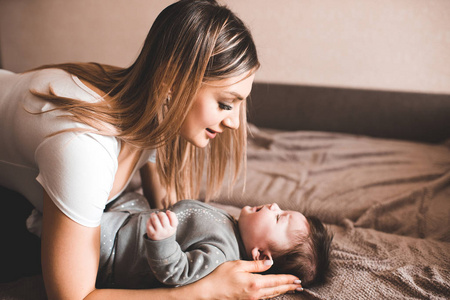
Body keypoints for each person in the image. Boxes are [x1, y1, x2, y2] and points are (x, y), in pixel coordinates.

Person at [0, 0, 304, 299]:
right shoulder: (84, 149)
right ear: (172, 82)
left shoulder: (149, 106)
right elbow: (73, 296)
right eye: (225, 104)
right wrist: (205, 290)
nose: (236, 124)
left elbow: (163, 199)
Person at [96, 195, 333, 290]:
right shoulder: (234, 226)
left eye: (279, 217)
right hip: (133, 220)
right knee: (130, 196)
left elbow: (178, 273)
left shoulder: (221, 255)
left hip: (118, 250)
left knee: (89, 231)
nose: (273, 206)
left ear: (260, 255)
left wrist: (163, 241)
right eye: (282, 209)